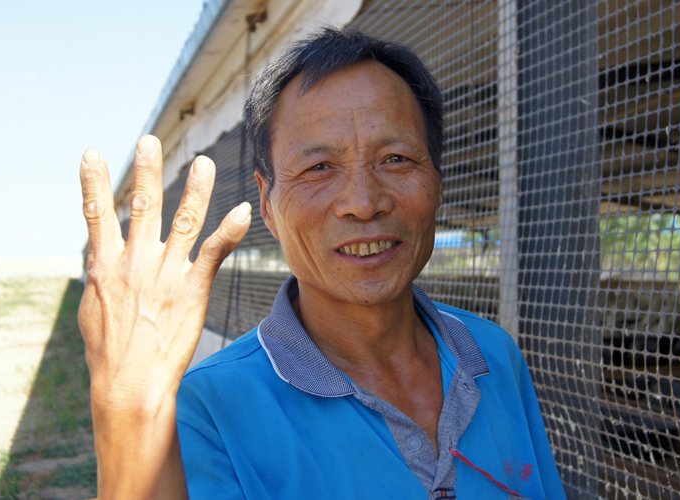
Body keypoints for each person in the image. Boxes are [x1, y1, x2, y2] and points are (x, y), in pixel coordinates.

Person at [78, 28, 566, 500]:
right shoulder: (205, 410)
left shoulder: (492, 355)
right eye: (318, 168)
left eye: (396, 158)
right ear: (267, 204)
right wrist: (129, 412)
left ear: (438, 180)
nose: (363, 203)